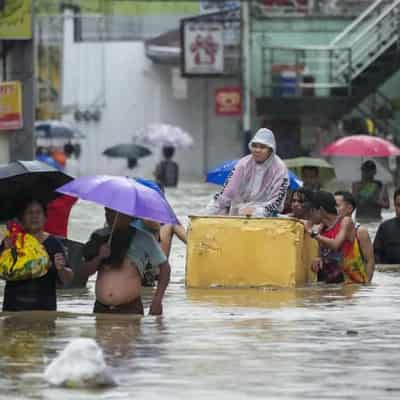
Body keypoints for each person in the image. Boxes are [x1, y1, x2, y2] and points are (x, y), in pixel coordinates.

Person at [81, 207, 170, 315]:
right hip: (101, 309)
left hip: (130, 309)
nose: (109, 216)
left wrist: (157, 300)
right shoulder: (99, 237)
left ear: (128, 215)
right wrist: (99, 257)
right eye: (107, 212)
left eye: (115, 213)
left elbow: (165, 268)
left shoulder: (143, 238)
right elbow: (84, 272)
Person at [1, 199, 73, 311]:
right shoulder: (12, 241)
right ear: (22, 218)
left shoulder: (53, 243)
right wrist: (5, 249)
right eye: (29, 213)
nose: (34, 217)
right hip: (13, 308)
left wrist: (61, 269)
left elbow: (67, 279)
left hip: (43, 309)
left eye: (38, 213)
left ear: (45, 218)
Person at [206, 128, 289, 217]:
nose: (257, 150)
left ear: (271, 150)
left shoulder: (280, 169)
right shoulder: (243, 164)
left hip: (266, 216)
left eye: (262, 147)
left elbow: (277, 203)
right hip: (239, 214)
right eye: (255, 146)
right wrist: (211, 210)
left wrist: (256, 211)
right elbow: (228, 191)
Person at [307, 191, 368, 284]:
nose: (309, 215)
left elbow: (335, 244)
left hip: (353, 286)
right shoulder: (321, 229)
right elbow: (320, 256)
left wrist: (313, 233)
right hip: (333, 286)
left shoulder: (345, 221)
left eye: (311, 211)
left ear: (321, 210)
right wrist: (318, 260)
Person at [335, 190, 375, 282]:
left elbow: (370, 261)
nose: (333, 208)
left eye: (337, 205)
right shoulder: (329, 230)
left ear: (349, 208)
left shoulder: (361, 232)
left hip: (356, 285)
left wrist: (367, 284)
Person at [373, 188, 400, 264]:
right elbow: (376, 255)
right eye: (399, 205)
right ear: (394, 206)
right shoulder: (385, 228)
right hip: (390, 274)